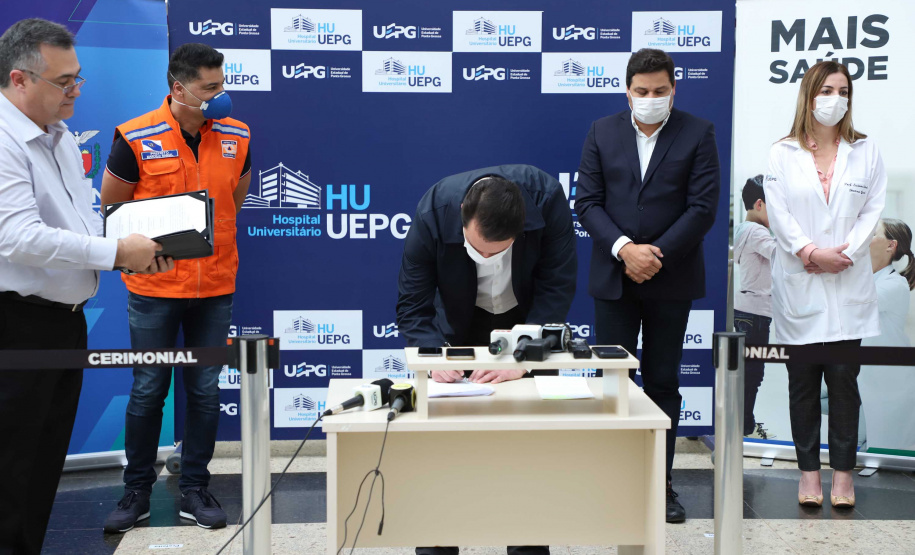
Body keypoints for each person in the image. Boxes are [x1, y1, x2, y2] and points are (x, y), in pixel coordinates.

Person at [0, 18, 169, 555]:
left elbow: (81, 222)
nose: (75, 90)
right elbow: (16, 237)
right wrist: (116, 251)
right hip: (14, 323)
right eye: (63, 81)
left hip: (63, 323)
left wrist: (133, 251)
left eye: (79, 78)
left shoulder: (64, 140)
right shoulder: (3, 141)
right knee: (9, 466)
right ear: (19, 79)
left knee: (43, 460)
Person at [100, 43, 252, 533]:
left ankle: (194, 486)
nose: (220, 96)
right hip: (153, 287)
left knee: (206, 391)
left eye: (222, 84)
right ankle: (136, 490)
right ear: (179, 89)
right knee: (148, 389)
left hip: (215, 287)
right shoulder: (136, 135)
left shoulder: (237, 134)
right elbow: (113, 211)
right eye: (210, 89)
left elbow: (236, 199)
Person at [396, 164, 576, 555]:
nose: (486, 258)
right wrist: (434, 359)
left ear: (522, 228)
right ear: (463, 214)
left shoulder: (547, 200)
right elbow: (412, 305)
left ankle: (528, 547)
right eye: (477, 249)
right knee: (441, 456)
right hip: (458, 328)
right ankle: (436, 546)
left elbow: (556, 288)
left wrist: (523, 356)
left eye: (498, 252)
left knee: (529, 454)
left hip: (526, 324)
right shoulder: (433, 211)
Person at [575, 48, 720, 523]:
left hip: (670, 278)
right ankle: (611, 482)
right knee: (614, 384)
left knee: (662, 382)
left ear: (674, 88)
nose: (651, 99)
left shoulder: (698, 132)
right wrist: (624, 249)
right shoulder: (602, 131)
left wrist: (653, 256)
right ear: (627, 90)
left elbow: (702, 208)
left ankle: (661, 485)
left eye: (660, 91)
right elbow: (588, 202)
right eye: (642, 92)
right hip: (614, 277)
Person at [765, 61, 886, 509]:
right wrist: (811, 253)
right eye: (827, 89)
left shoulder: (865, 149)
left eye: (843, 89)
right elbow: (778, 213)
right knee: (802, 385)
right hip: (801, 281)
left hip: (848, 281)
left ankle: (844, 477)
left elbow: (873, 207)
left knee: (843, 384)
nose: (836, 98)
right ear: (809, 95)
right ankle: (809, 475)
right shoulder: (782, 151)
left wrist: (846, 253)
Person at [858, 219, 915, 452]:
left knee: (882, 454)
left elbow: (854, 304)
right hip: (863, 376)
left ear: (890, 246)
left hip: (887, 380)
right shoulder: (868, 278)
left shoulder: (894, 284)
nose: (865, 237)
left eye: (873, 234)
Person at [733, 175, 777, 440]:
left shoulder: (742, 228)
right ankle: (745, 425)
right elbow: (780, 255)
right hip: (755, 313)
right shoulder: (757, 231)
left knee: (747, 373)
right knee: (753, 374)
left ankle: (743, 422)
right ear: (759, 204)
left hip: (746, 310)